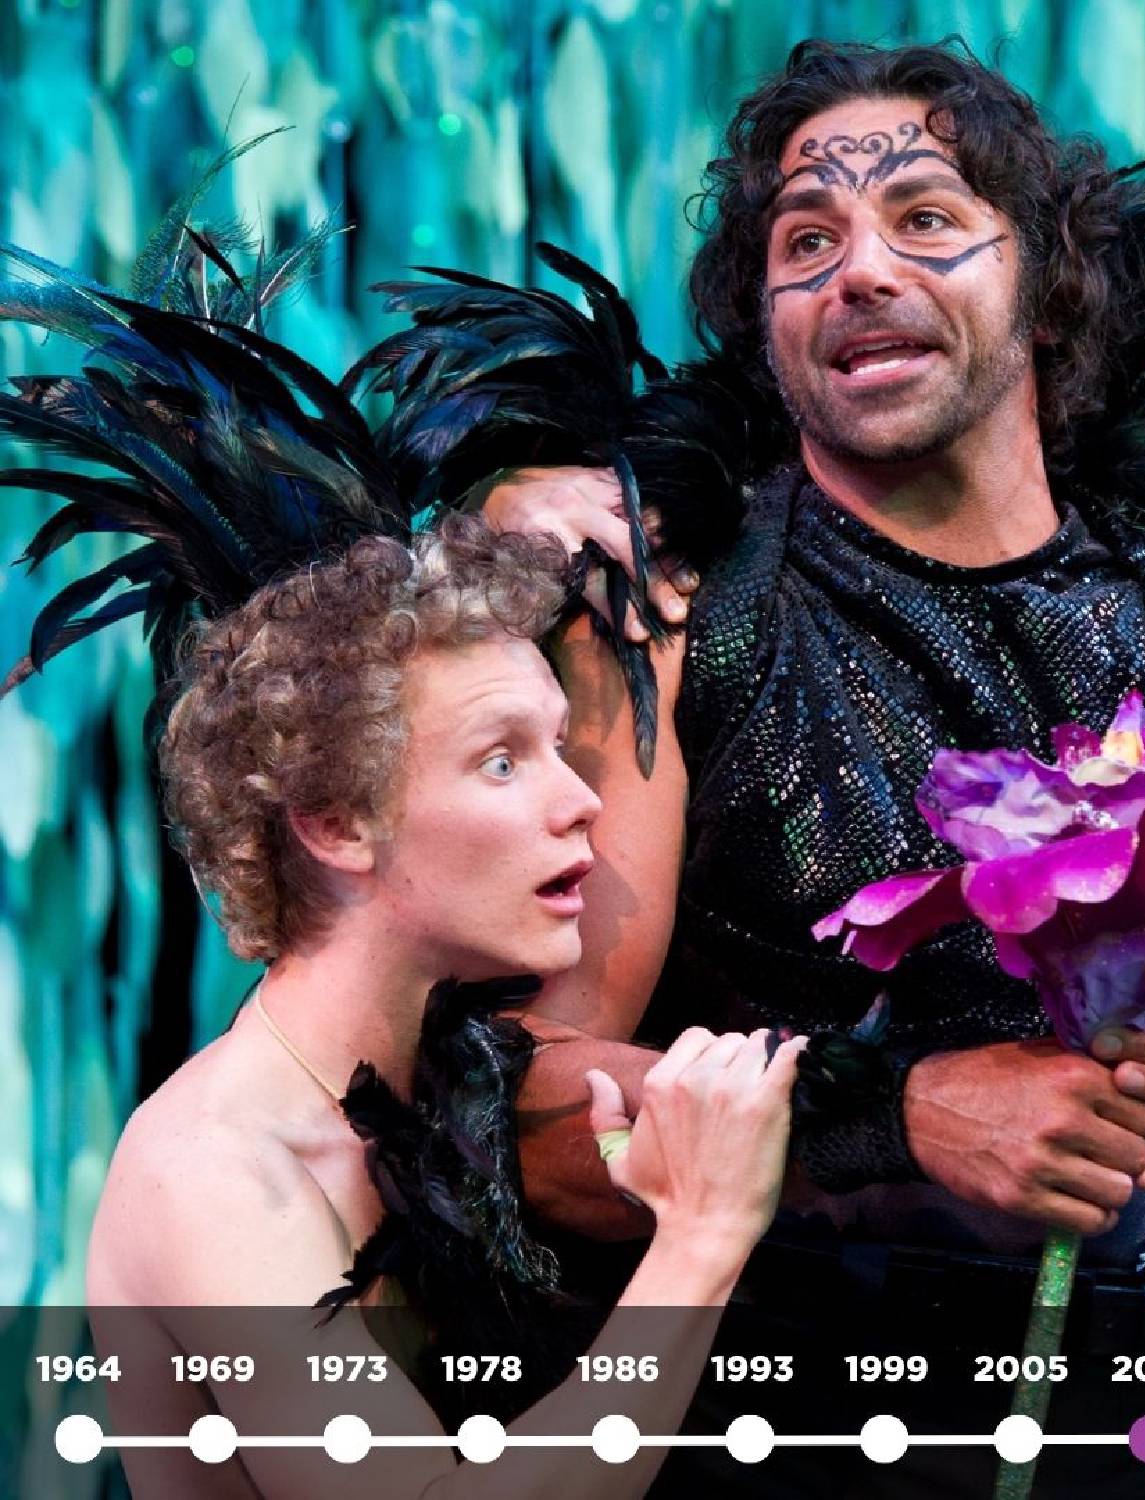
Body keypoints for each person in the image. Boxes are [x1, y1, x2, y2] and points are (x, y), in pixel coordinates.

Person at [461, 37, 1145, 1497]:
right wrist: (891, 1115)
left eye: (926, 217)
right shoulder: (678, 625)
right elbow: (506, 1109)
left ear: (1046, 285)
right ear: (766, 325)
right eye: (806, 242)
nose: (859, 272)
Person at [0, 218, 806, 1499]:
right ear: (335, 821)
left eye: (562, 745)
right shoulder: (219, 1170)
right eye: (503, 762)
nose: (579, 805)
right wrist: (699, 1244)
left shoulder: (438, 1107)